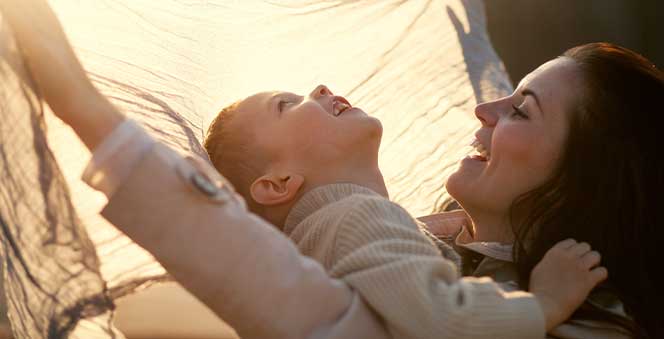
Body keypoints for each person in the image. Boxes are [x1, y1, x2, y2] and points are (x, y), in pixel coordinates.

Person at [0, 1, 607, 338]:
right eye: (288, 104)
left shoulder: (379, 230)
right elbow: (243, 255)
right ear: (277, 184)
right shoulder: (361, 222)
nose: (484, 108)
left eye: (522, 110)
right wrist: (541, 306)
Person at [426, 42, 663, 338]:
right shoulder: (418, 239)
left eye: (521, 111)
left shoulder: (593, 327)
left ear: (578, 183)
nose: (482, 110)